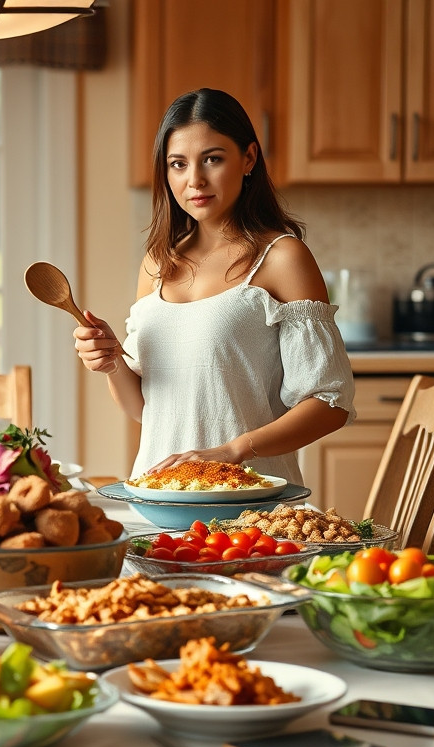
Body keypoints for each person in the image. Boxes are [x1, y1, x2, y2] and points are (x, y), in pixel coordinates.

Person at [74, 88, 355, 483]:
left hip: (251, 508)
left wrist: (232, 451)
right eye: (178, 164)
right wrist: (111, 361)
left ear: (249, 159)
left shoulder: (282, 258)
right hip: (160, 498)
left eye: (212, 159)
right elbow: (145, 409)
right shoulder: (156, 263)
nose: (195, 180)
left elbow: (330, 403)